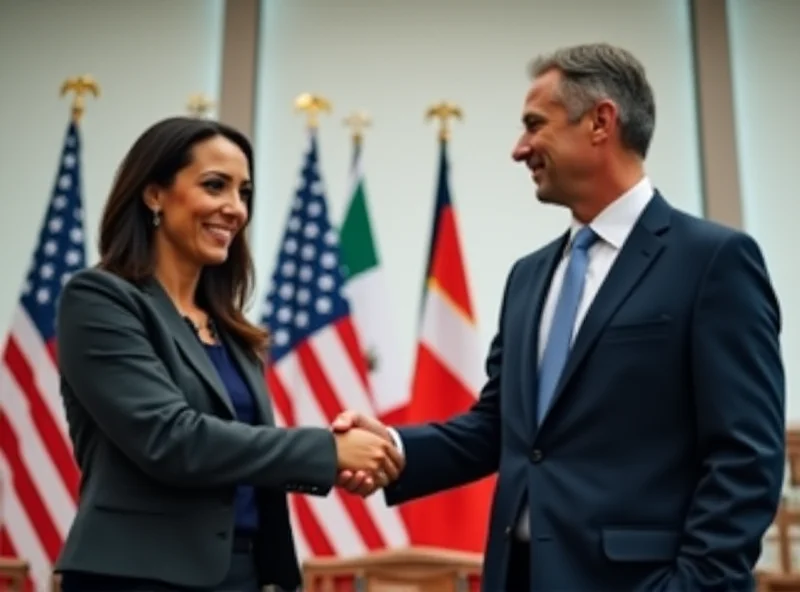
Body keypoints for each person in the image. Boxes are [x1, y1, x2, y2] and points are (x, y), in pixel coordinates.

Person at [334, 43, 785, 591]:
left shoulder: (713, 261)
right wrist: (393, 448)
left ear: (600, 122)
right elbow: (499, 428)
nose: (519, 149)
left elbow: (747, 455)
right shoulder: (528, 277)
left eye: (534, 125)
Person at [54, 116, 403, 592]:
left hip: (243, 574)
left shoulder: (231, 331)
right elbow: (169, 438)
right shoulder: (99, 300)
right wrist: (326, 451)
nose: (234, 209)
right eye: (215, 186)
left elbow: (242, 450)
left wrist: (341, 462)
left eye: (244, 193)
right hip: (137, 577)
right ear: (154, 193)